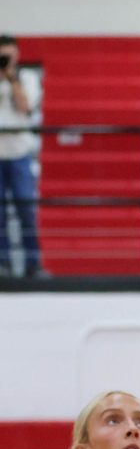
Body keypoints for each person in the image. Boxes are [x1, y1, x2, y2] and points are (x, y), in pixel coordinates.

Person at [0, 34, 43, 278]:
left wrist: (11, 78)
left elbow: (25, 107)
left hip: (19, 153)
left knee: (26, 208)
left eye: (8, 56)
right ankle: (2, 265)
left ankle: (33, 264)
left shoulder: (26, 78)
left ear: (17, 55)